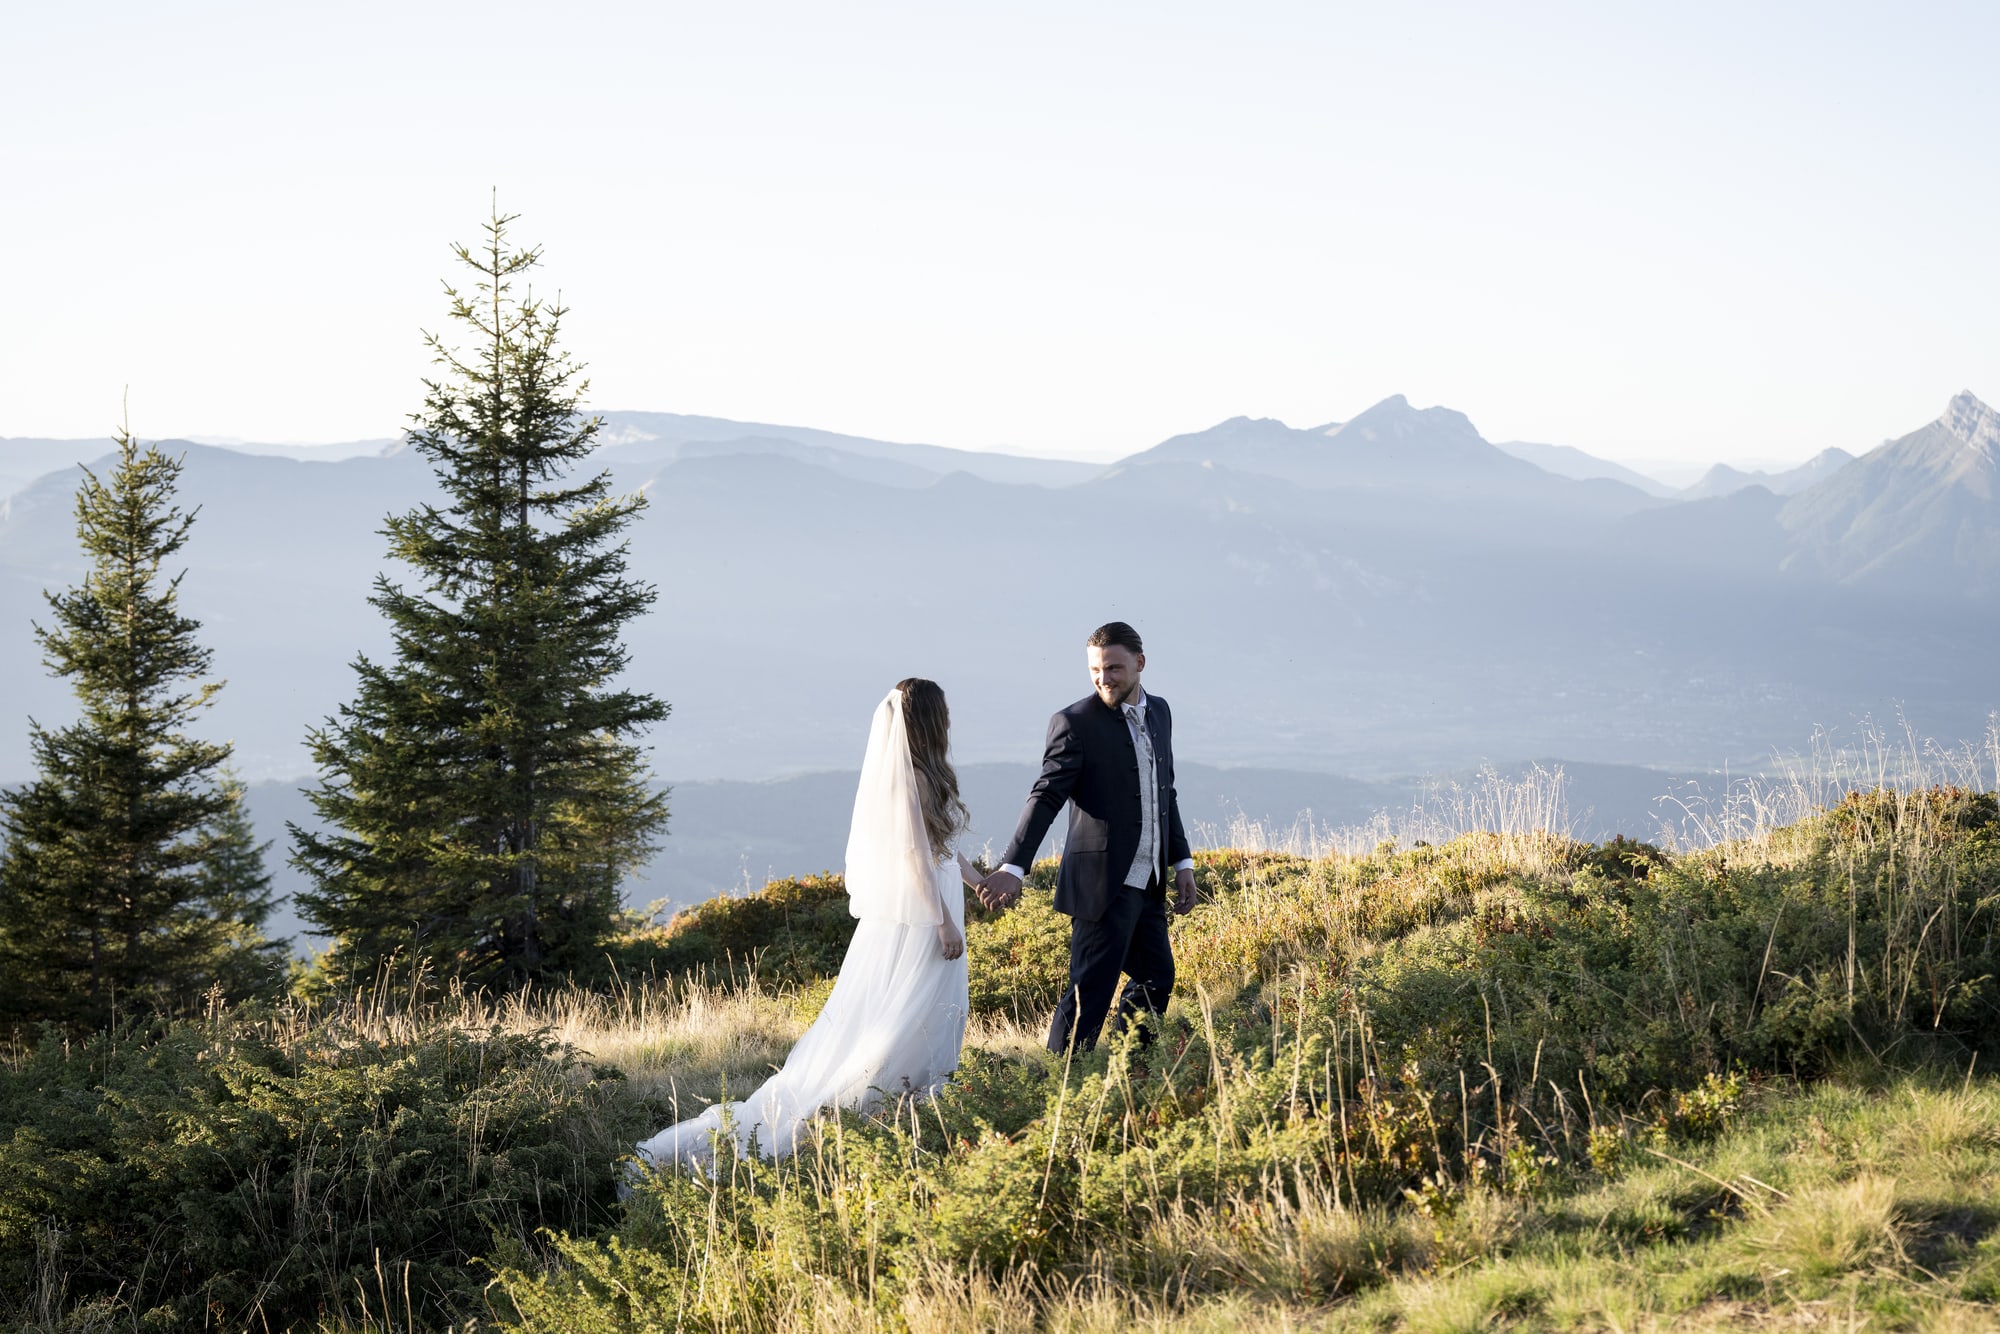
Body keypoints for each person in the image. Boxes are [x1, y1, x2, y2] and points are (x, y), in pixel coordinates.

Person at [636, 678, 980, 1170]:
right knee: (908, 1011)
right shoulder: (912, 779)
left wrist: (975, 881)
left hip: (934, 900)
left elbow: (942, 848)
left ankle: (918, 1104)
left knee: (929, 1006)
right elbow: (914, 855)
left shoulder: (925, 772)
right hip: (921, 914)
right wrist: (944, 922)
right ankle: (882, 1101)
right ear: (928, 717)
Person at [979, 622, 1196, 1054]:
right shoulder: (1074, 722)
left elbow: (1163, 791)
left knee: (1157, 977)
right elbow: (1045, 797)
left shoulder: (1161, 712)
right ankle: (1063, 1082)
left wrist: (1182, 863)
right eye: (1096, 669)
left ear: (1140, 663)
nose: (1104, 678)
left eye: (1114, 668)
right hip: (1101, 884)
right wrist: (1012, 867)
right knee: (1089, 994)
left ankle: (1130, 1065)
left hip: (1148, 882)